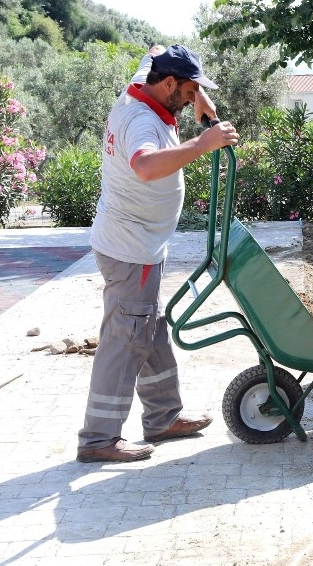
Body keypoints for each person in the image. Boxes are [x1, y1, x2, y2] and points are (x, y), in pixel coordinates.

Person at [76, 45, 240, 463]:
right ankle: (98, 438)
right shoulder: (140, 120)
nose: (191, 98)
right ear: (167, 83)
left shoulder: (145, 83)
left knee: (151, 328)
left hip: (141, 245)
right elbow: (146, 167)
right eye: (187, 90)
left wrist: (200, 98)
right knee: (126, 338)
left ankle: (164, 416)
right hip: (131, 249)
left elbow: (154, 51)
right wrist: (203, 143)